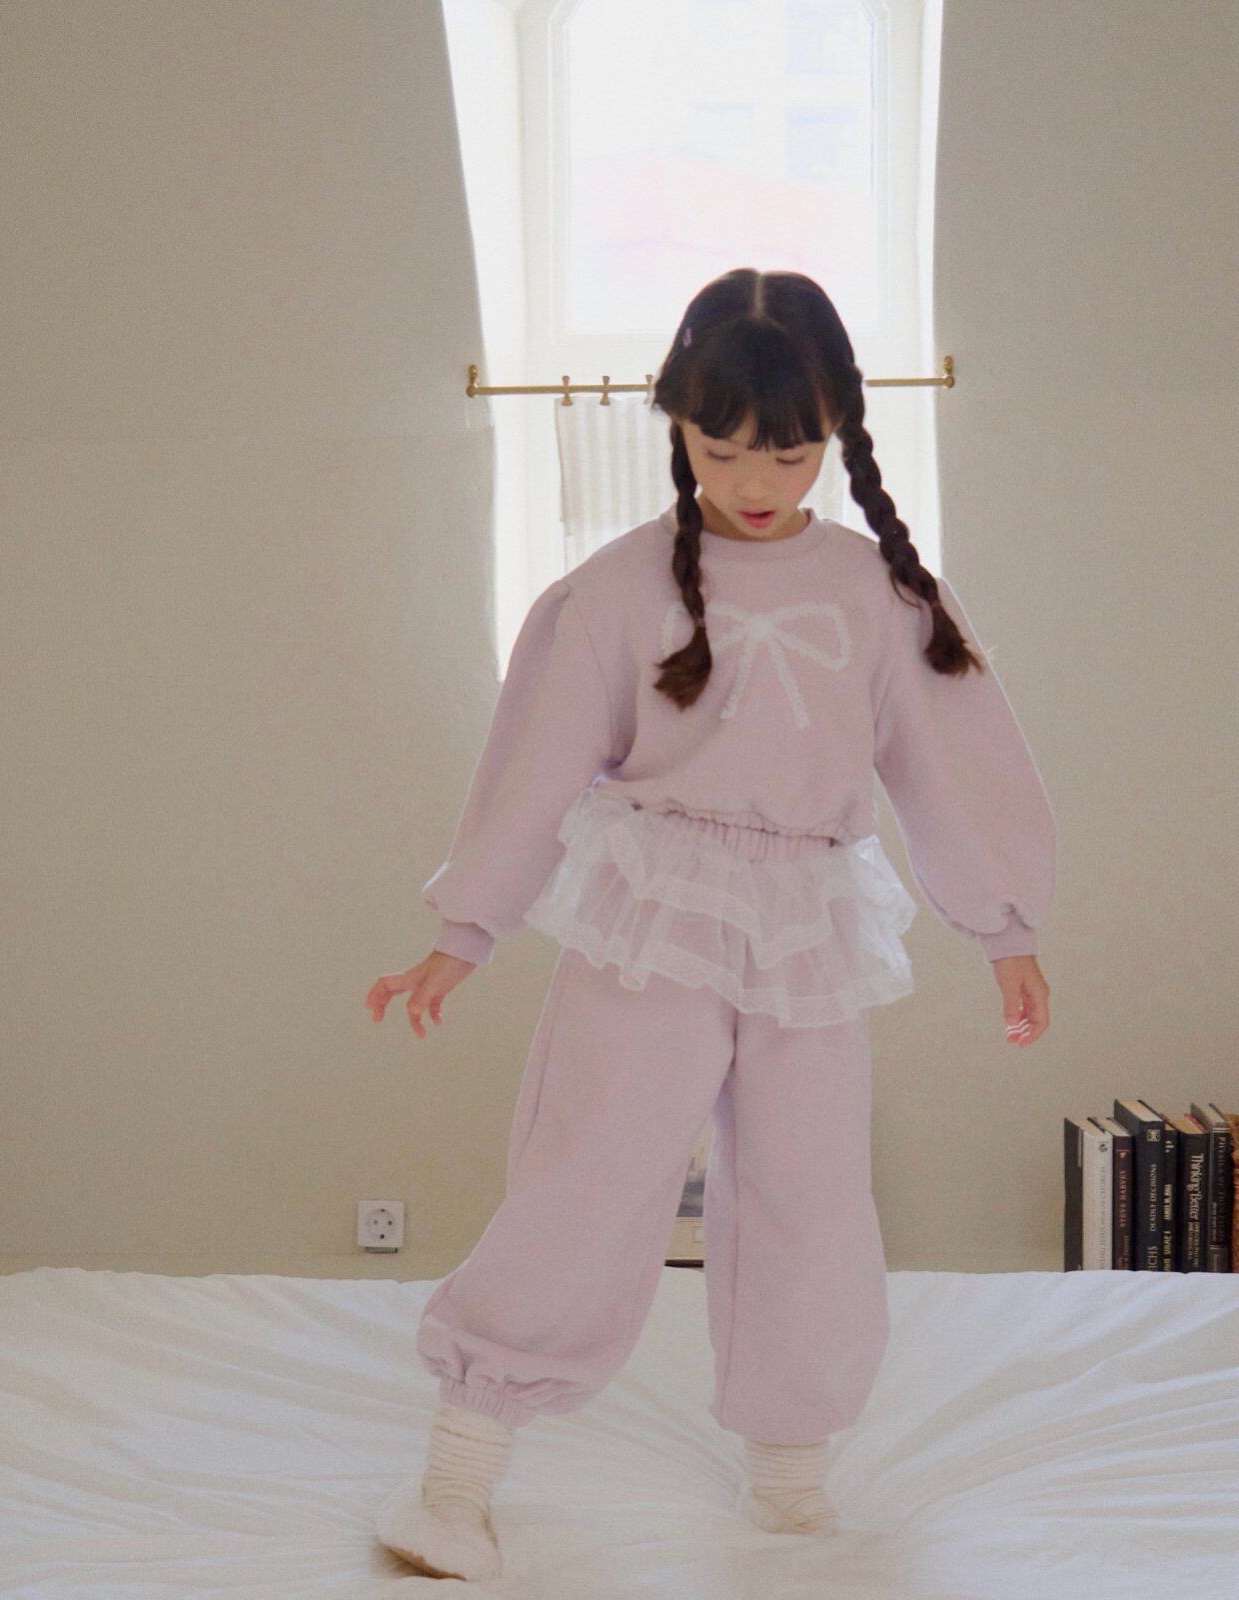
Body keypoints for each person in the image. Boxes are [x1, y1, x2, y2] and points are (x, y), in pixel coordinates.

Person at [369, 267, 1056, 1580]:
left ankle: (791, 1483)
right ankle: (456, 1477)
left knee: (811, 1192)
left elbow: (950, 764)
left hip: (805, 927)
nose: (754, 479)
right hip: (654, 916)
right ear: (676, 423)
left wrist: (1004, 931)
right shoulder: (616, 592)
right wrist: (464, 932)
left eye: (790, 453)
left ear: (837, 432)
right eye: (720, 446)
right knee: (589, 1173)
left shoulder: (877, 593)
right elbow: (533, 772)